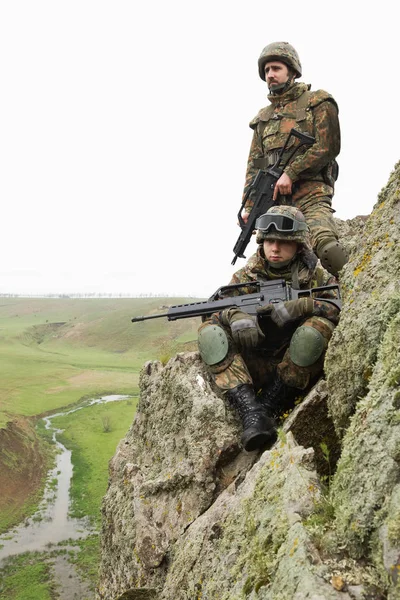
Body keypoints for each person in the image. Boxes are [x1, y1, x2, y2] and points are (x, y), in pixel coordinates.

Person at [198, 205, 340, 452]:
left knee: (315, 330)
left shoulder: (314, 274)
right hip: (253, 362)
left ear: (297, 244)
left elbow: (339, 305)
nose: (275, 248)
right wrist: (234, 315)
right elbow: (212, 311)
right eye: (269, 241)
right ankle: (250, 411)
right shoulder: (245, 276)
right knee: (210, 332)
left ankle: (269, 406)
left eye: (283, 242)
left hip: (295, 365)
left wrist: (304, 306)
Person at [241, 41, 348, 277]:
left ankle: (356, 294)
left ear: (292, 71)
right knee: (265, 265)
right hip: (277, 203)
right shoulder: (263, 119)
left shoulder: (317, 102)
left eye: (276, 68)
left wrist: (291, 172)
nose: (270, 75)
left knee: (326, 246)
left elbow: (328, 147)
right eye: (267, 70)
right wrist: (249, 208)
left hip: (311, 194)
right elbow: (255, 166)